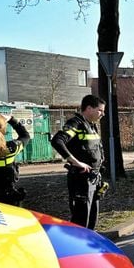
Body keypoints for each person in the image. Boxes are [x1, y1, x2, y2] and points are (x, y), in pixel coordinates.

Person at [51, 95, 106, 229]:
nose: (103, 114)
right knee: (81, 222)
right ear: (88, 108)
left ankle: (89, 248)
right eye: (100, 110)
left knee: (92, 219)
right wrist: (75, 162)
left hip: (93, 179)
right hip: (81, 179)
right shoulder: (76, 123)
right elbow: (57, 141)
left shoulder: (92, 126)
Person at [0, 112, 30, 205]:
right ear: (3, 129)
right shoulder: (11, 149)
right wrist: (12, 119)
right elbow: (25, 136)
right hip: (7, 200)